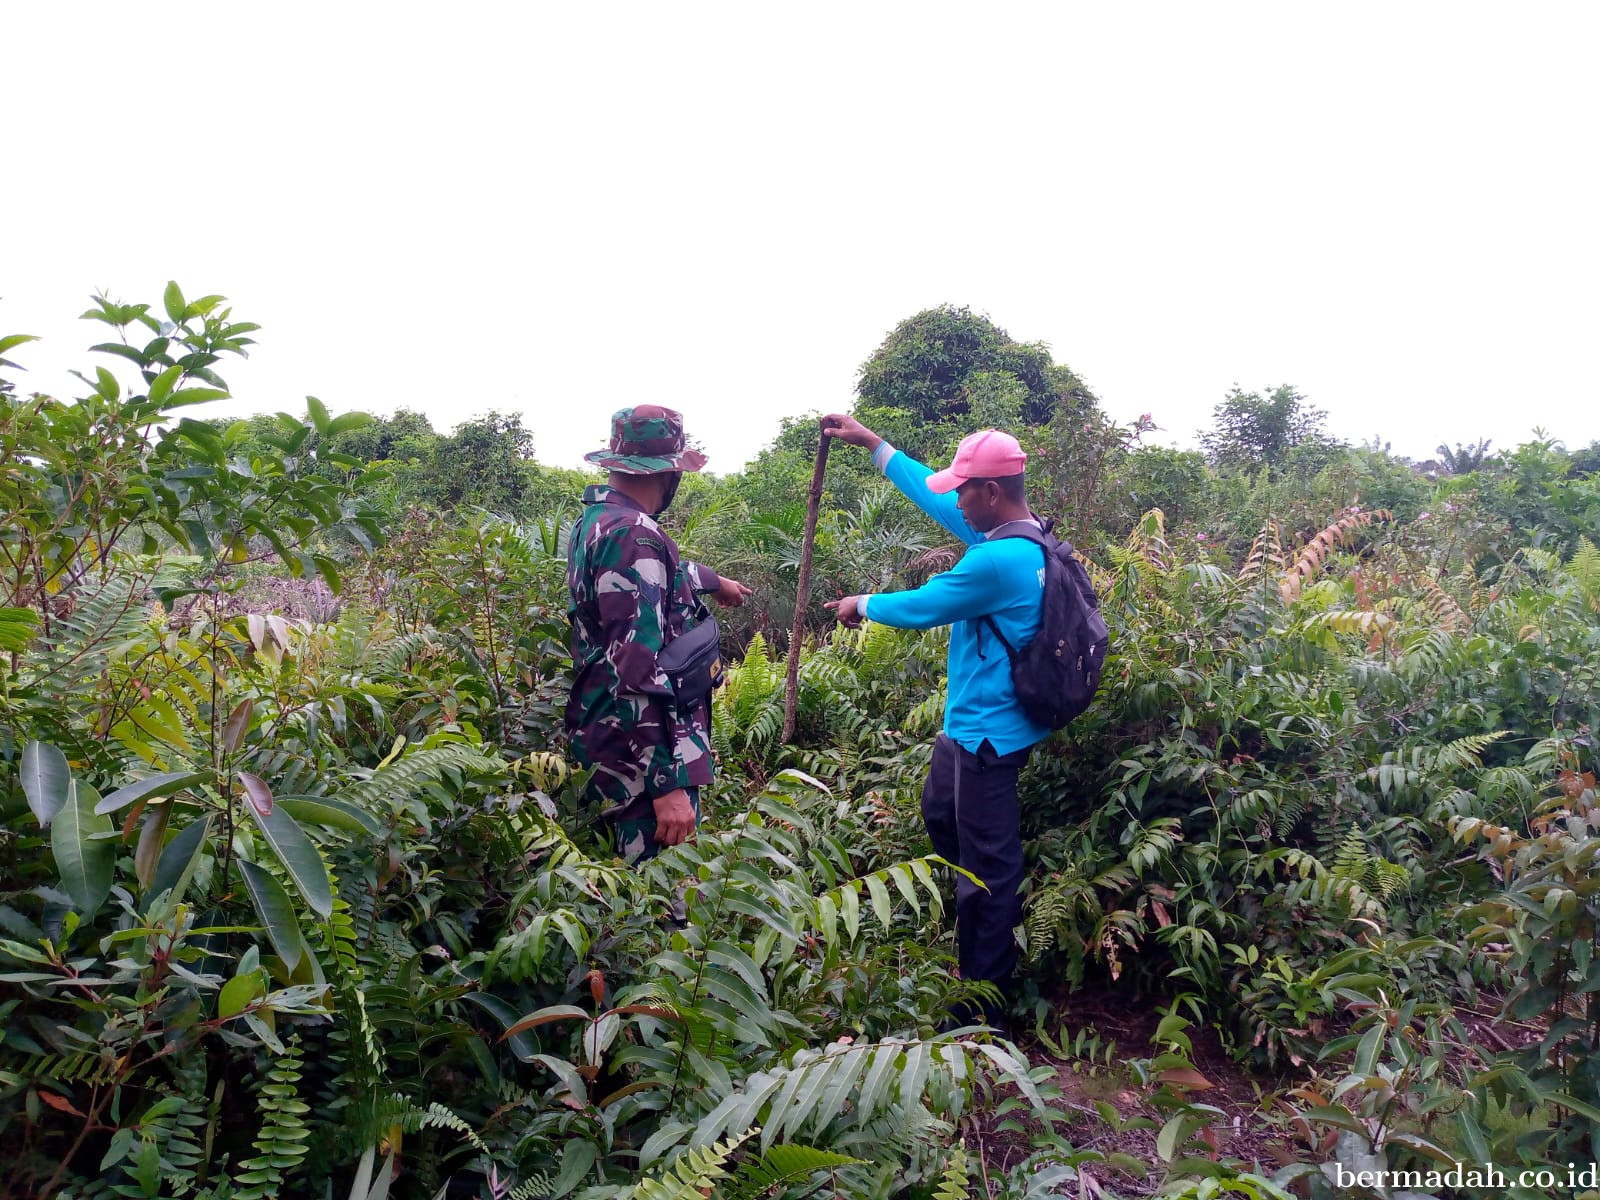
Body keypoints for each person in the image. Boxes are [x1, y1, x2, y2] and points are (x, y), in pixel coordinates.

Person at [820, 413, 1048, 1031]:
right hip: (971, 730)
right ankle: (984, 930)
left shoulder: (995, 562)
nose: (955, 499)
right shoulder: (1021, 536)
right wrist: (874, 444)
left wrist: (860, 603)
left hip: (989, 738)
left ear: (991, 492)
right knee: (941, 818)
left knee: (987, 869)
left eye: (964, 489)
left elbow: (924, 607)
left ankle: (984, 1006)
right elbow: (931, 490)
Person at [565, 405, 751, 863]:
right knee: (655, 908)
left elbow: (648, 581)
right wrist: (666, 784)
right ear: (670, 475)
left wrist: (714, 580)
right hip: (639, 771)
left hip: (603, 742)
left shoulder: (597, 522)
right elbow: (636, 668)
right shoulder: (637, 536)